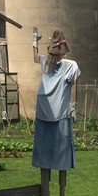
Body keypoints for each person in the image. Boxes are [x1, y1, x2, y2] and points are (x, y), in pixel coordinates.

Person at [32, 30, 81, 170]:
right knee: (62, 152)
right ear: (63, 51)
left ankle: (45, 186)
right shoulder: (69, 65)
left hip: (43, 109)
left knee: (44, 152)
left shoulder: (46, 63)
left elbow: (35, 57)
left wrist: (34, 42)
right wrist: (73, 104)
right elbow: (73, 85)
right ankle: (61, 189)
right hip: (60, 113)